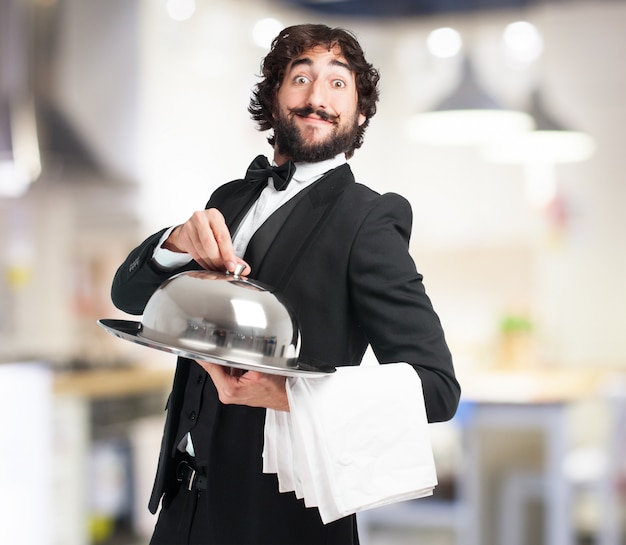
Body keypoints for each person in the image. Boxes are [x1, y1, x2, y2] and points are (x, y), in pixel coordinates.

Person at [111, 23, 461, 545]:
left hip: (285, 521)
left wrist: (287, 394)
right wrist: (177, 241)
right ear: (274, 99)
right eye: (300, 78)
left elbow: (437, 387)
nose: (317, 97)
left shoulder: (369, 219)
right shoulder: (229, 199)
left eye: (338, 83)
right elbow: (131, 297)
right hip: (181, 511)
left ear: (360, 112)